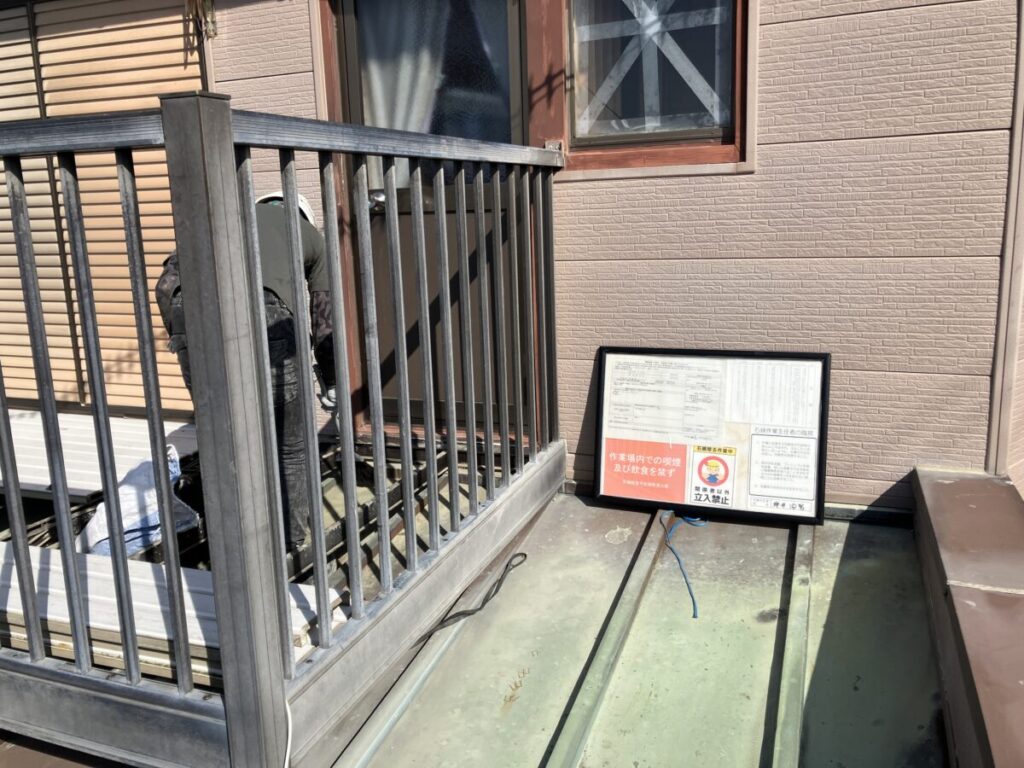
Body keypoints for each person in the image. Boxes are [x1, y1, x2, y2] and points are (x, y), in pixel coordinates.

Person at [156, 192, 335, 551]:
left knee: (221, 439)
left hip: (188, 311)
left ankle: (231, 541)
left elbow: (165, 286)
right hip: (265, 312)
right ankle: (292, 543)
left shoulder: (220, 216)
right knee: (291, 446)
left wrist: (182, 336)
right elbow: (324, 320)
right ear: (302, 215)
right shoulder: (310, 237)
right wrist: (330, 381)